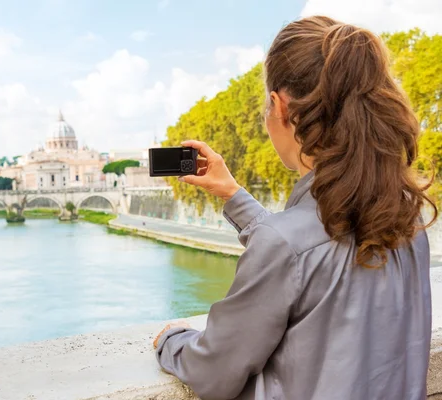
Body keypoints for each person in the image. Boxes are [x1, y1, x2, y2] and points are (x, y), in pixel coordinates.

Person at [153, 15, 437, 400]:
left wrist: (172, 340)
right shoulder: (407, 218)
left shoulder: (285, 244)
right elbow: (313, 251)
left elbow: (215, 372)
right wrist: (234, 196)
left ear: (279, 106)